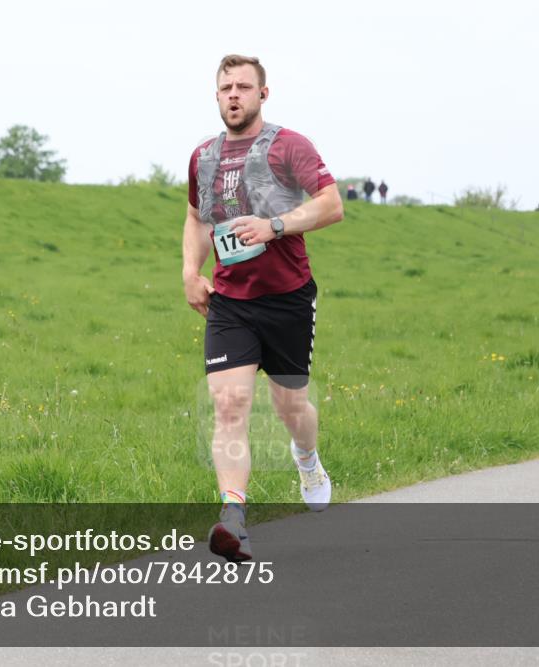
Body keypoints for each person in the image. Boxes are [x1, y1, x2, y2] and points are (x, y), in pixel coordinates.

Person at [182, 54, 344, 562]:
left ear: (262, 94)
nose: (234, 94)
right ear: (216, 95)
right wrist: (191, 271)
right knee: (229, 405)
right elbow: (195, 218)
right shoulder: (202, 157)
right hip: (231, 303)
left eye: (244, 86)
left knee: (290, 406)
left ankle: (307, 458)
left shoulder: (289, 146)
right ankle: (234, 516)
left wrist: (275, 226)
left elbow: (332, 204)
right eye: (226, 86)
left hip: (289, 298)